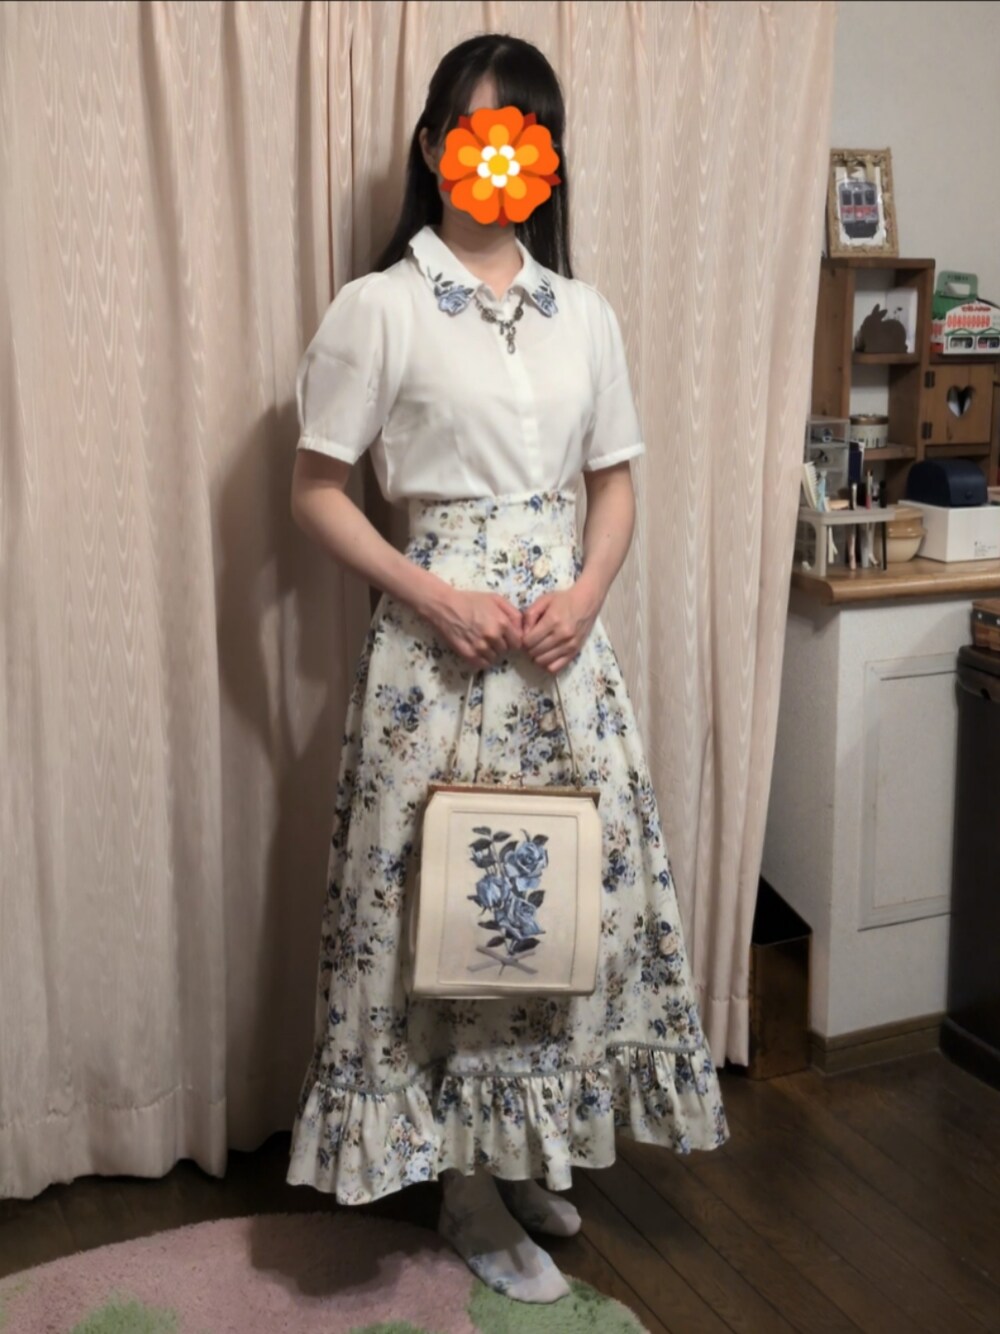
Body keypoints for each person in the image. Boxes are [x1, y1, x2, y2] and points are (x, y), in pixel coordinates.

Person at [286, 31, 730, 1306]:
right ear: (435, 147)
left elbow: (614, 484)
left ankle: (522, 1149)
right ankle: (464, 1187)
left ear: (546, 162)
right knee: (447, 911)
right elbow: (315, 489)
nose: (495, 160)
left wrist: (586, 596)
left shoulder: (581, 312)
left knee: (561, 905)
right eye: (475, 134)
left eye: (522, 138)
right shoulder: (379, 308)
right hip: (434, 663)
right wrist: (431, 592)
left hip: (560, 662)